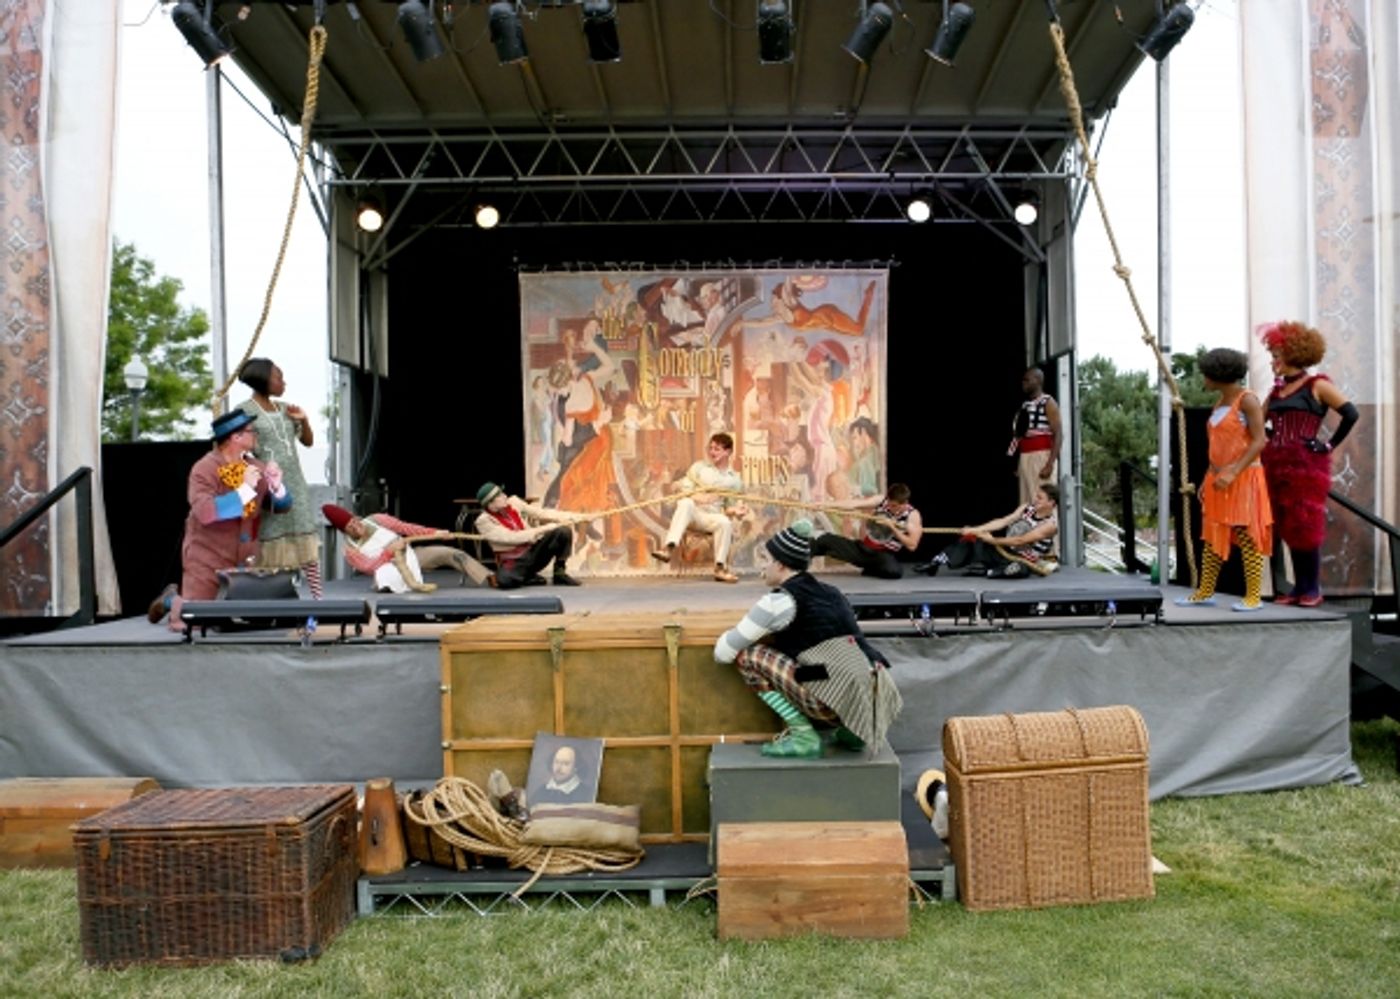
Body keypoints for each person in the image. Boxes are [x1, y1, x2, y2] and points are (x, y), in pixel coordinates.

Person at [713, 520, 903, 759]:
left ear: (781, 565)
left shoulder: (777, 602)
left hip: (829, 703)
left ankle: (803, 735)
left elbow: (723, 653)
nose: (762, 568)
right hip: (874, 700)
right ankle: (853, 731)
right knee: (839, 662)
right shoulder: (833, 593)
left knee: (748, 656)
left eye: (766, 560)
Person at [147, 410, 291, 627]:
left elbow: (280, 506)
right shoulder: (204, 470)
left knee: (248, 619)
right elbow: (205, 513)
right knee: (198, 620)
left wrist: (277, 485)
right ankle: (171, 600)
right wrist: (244, 490)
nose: (256, 436)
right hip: (208, 556)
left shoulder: (256, 466)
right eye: (252, 431)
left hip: (244, 560)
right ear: (236, 437)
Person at [1259, 320, 1360, 606]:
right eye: (1272, 356)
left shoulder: (1318, 385)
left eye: (1276, 356)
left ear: (1293, 354)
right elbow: (1260, 422)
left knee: (1305, 524)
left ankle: (1311, 588)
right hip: (1275, 464)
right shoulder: (1276, 391)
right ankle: (1297, 588)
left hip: (1305, 464)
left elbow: (1351, 414)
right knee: (1287, 525)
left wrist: (1327, 445)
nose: (1273, 362)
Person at [1174, 348, 1273, 612]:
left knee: (1247, 534)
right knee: (1213, 535)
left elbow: (1259, 440)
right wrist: (1210, 475)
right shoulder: (1221, 402)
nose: (1203, 379)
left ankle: (1253, 596)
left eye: (1206, 374)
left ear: (1218, 375)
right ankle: (1205, 591)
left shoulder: (1247, 400)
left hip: (1244, 477)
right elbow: (1217, 445)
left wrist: (1233, 471)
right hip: (1218, 478)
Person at [236, 358, 323, 598]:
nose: (283, 382)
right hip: (270, 485)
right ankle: (275, 599)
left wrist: (303, 420)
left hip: (295, 480)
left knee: (304, 535)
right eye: (278, 377)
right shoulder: (245, 410)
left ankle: (318, 599)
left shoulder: (285, 408)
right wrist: (258, 470)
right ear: (263, 380)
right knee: (273, 540)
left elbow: (307, 441)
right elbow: (238, 449)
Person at [321, 504, 489, 593]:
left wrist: (436, 532)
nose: (357, 527)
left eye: (355, 521)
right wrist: (389, 551)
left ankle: (489, 578)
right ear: (344, 531)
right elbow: (369, 567)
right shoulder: (350, 550)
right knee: (384, 578)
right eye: (351, 527)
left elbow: (406, 528)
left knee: (452, 554)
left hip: (411, 555)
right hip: (387, 568)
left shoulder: (376, 519)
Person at [651, 433, 748, 583]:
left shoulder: (734, 480)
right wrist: (700, 498)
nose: (712, 452)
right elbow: (684, 491)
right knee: (685, 503)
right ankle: (668, 548)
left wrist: (736, 512)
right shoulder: (699, 468)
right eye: (710, 448)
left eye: (717, 449)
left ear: (728, 452)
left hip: (711, 518)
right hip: (692, 514)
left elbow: (729, 508)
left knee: (725, 522)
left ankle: (720, 568)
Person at [921, 484, 1059, 579]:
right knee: (973, 538)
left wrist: (992, 540)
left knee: (1019, 569)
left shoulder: (1049, 525)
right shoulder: (1027, 508)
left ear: (1051, 503)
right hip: (1005, 551)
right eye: (1036, 496)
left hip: (1024, 560)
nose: (1035, 499)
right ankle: (938, 561)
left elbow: (1021, 540)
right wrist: (975, 529)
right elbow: (1003, 521)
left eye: (1040, 498)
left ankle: (988, 572)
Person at [474, 481, 581, 589]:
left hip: (534, 551)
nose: (505, 496)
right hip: (516, 561)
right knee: (504, 581)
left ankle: (559, 573)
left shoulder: (514, 502)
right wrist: (545, 528)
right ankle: (527, 577)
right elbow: (512, 537)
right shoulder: (483, 521)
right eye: (500, 496)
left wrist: (572, 516)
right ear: (490, 503)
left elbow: (541, 513)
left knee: (562, 531)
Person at [810, 482, 923, 579]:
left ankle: (872, 568)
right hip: (863, 550)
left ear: (905, 503)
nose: (890, 507)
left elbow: (912, 546)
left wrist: (893, 528)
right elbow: (853, 504)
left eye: (894, 506)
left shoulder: (912, 515)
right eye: (889, 503)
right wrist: (823, 505)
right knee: (824, 541)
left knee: (894, 572)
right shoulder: (882, 500)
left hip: (882, 556)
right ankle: (797, 562)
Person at [1009, 366, 1062, 507]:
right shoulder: (1025, 405)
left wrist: (1050, 463)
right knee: (1026, 503)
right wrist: (1018, 463)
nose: (1023, 382)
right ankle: (1029, 529)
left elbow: (1058, 434)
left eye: (1027, 380)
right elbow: (1020, 435)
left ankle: (1047, 529)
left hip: (1041, 456)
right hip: (1025, 456)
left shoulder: (1048, 402)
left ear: (1037, 380)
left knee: (1043, 500)